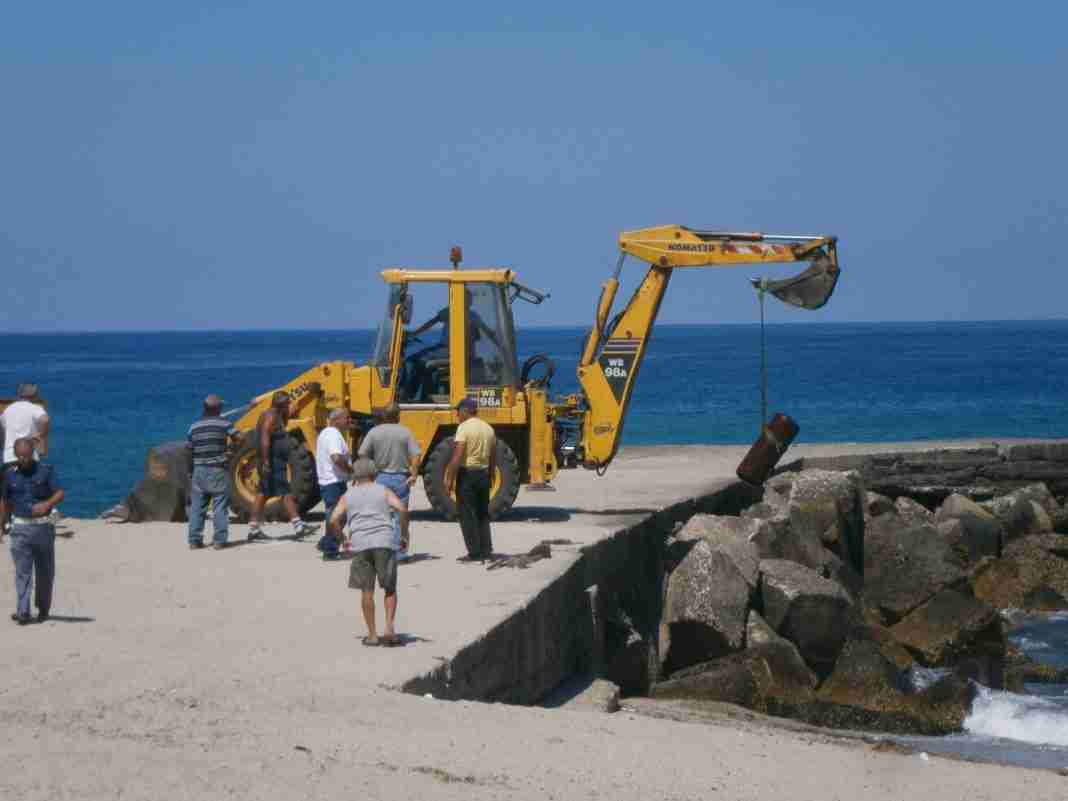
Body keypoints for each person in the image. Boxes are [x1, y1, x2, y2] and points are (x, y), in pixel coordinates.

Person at [329, 457, 408, 647]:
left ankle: (372, 635)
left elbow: (333, 520)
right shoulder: (383, 490)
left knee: (367, 590)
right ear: (374, 474)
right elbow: (402, 509)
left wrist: (343, 539)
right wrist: (404, 535)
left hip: (360, 544)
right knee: (389, 588)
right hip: (384, 542)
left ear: (355, 476)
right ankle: (389, 630)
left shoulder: (348, 495)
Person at [1, 438, 64, 625]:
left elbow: (59, 492)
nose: (24, 459)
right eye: (20, 456)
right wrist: (1, 525)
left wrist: (47, 504)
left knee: (45, 571)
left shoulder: (46, 470)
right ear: (15, 454)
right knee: (23, 572)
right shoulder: (9, 474)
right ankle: (23, 611)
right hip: (20, 528)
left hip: (43, 527)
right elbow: (5, 502)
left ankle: (43, 609)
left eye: (27, 455)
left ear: (33, 453)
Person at [249, 392, 318, 541]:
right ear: (281, 405)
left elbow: (284, 424)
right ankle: (298, 526)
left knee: (263, 493)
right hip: (272, 461)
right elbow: (265, 438)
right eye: (287, 403)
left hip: (275, 460)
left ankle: (253, 529)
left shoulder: (278, 415)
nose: (289, 405)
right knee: (285, 492)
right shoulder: (270, 416)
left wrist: (288, 412)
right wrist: (266, 461)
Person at [357, 403, 420, 561]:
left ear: (384, 416)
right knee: (400, 517)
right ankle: (400, 554)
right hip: (400, 479)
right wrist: (413, 474)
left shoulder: (374, 432)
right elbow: (416, 455)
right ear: (398, 416)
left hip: (380, 478)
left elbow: (362, 454)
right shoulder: (406, 432)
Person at [444, 398, 496, 562]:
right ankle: (486, 549)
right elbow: (493, 455)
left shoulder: (464, 428)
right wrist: (491, 474)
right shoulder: (488, 428)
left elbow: (457, 456)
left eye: (458, 411)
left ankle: (474, 553)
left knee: (467, 514)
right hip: (483, 474)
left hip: (467, 475)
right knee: (482, 513)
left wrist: (449, 479)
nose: (457, 414)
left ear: (466, 410)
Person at [186, 394, 232, 551]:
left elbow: (189, 450)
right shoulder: (224, 424)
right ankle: (219, 541)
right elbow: (240, 438)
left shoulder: (193, 427)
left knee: (197, 507)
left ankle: (194, 540)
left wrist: (190, 470)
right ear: (217, 408)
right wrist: (230, 452)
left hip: (198, 470)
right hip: (217, 469)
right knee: (219, 506)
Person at [315, 408, 352, 560]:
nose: (349, 420)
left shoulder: (327, 433)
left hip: (332, 481)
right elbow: (336, 458)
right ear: (336, 420)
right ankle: (330, 550)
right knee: (337, 516)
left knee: (338, 515)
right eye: (347, 418)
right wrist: (351, 470)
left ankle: (325, 543)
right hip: (333, 482)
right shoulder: (333, 434)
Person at [1, 383, 50, 469]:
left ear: (19, 395)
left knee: (9, 477)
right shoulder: (35, 408)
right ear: (34, 395)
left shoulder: (8, 409)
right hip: (29, 455)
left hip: (9, 456)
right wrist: (41, 435)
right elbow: (45, 420)